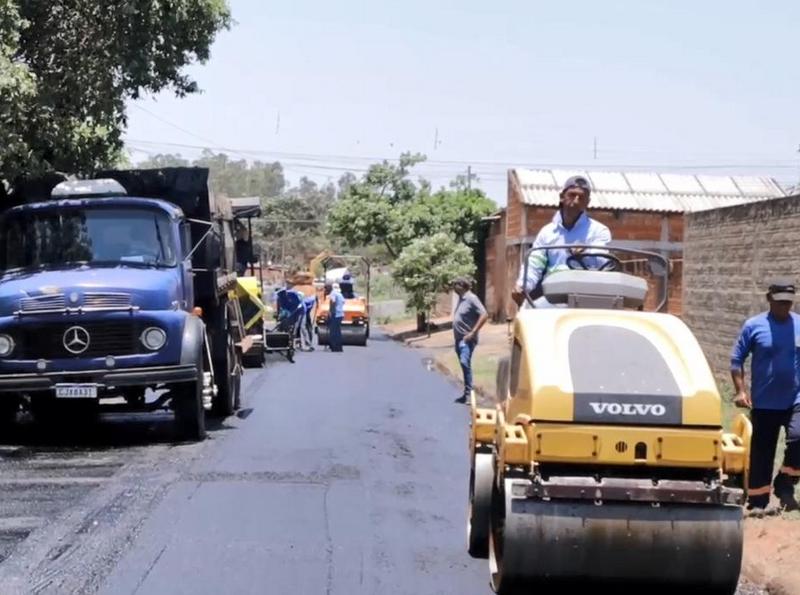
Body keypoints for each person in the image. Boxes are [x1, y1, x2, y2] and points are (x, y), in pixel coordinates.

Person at [730, 278, 800, 514]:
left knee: (799, 438)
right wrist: (740, 390)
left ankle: (785, 482)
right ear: (769, 299)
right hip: (765, 402)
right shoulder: (754, 326)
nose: (784, 307)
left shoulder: (799, 325)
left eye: (788, 303)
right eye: (779, 302)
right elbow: (736, 360)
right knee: (762, 452)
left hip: (795, 399)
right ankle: (759, 502)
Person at [512, 175, 612, 308]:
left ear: (587, 202)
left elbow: (602, 261)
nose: (576, 200)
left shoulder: (599, 231)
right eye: (572, 195)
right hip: (554, 296)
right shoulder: (547, 233)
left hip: (587, 297)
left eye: (581, 197)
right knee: (528, 311)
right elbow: (535, 264)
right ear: (562, 197)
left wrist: (587, 252)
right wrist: (523, 286)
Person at [452, 277, 488, 404]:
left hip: (467, 339)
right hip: (459, 339)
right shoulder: (462, 299)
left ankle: (470, 394)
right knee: (464, 364)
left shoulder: (471, 298)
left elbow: (484, 314)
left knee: (464, 362)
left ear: (462, 286)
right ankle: (467, 393)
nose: (453, 286)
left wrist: (473, 332)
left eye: (455, 284)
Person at [327, 282, 345, 352]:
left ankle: (334, 347)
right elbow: (343, 302)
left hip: (335, 314)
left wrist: (330, 312)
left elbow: (333, 302)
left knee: (333, 332)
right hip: (340, 314)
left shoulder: (333, 293)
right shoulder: (339, 294)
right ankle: (339, 347)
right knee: (338, 331)